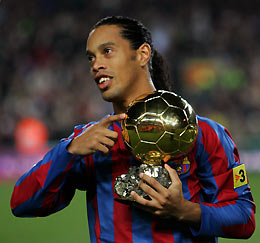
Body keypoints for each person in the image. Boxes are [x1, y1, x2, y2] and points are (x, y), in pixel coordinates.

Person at [11, 16, 255, 242]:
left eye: (107, 51)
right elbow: (21, 204)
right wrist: (69, 151)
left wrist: (185, 210)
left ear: (142, 54)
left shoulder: (205, 133)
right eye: (91, 57)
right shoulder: (89, 140)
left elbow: (244, 218)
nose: (96, 65)